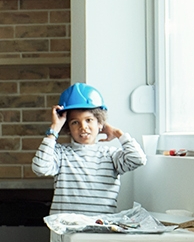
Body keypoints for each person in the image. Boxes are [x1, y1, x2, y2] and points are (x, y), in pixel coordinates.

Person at [31, 83, 147, 216]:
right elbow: (40, 167)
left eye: (89, 120)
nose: (83, 127)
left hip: (99, 230)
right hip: (64, 230)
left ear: (100, 124)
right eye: (75, 122)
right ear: (67, 127)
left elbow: (138, 159)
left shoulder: (110, 155)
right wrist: (54, 129)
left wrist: (118, 133)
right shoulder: (60, 153)